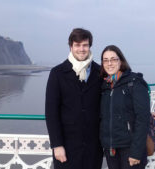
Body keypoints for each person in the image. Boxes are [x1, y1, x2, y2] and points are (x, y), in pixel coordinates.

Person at [45, 28, 103, 169]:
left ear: (89, 46)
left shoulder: (100, 72)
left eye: (85, 45)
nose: (81, 49)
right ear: (71, 46)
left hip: (93, 146)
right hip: (66, 146)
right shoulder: (57, 73)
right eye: (77, 45)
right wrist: (57, 145)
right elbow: (51, 112)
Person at [99, 45, 150, 169]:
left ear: (120, 61)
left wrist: (136, 152)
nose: (109, 63)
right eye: (105, 60)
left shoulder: (134, 82)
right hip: (111, 149)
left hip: (130, 149)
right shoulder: (105, 86)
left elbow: (142, 119)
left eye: (113, 59)